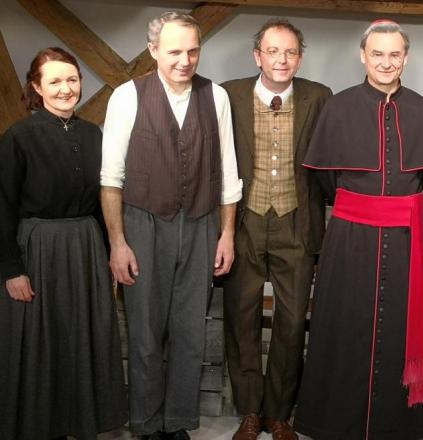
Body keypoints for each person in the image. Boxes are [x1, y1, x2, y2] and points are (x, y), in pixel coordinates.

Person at [293, 20, 423, 440]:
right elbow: (324, 181)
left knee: (399, 332)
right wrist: (359, 208)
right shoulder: (338, 107)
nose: (386, 62)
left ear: (405, 58)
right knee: (344, 326)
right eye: (377, 54)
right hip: (350, 236)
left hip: (406, 236)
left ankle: (399, 423)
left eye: (395, 55)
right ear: (363, 56)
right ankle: (337, 421)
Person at [100, 12, 242, 439]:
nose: (185, 60)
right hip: (142, 224)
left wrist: (228, 235)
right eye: (175, 51)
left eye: (193, 50)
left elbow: (228, 173)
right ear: (154, 51)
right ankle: (145, 423)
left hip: (200, 225)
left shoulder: (214, 96)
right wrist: (118, 243)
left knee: (188, 332)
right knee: (144, 332)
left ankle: (178, 422)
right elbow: (111, 178)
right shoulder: (127, 95)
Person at [0, 47, 127, 440]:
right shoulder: (18, 137)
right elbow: (1, 205)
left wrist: (109, 254)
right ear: (36, 88)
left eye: (71, 79)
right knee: (42, 341)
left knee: (82, 338)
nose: (65, 88)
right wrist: (12, 269)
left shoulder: (93, 134)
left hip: (85, 248)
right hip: (37, 250)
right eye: (54, 81)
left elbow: (106, 197)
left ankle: (81, 422)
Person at [220, 18, 331, 440]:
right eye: (272, 51)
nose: (281, 59)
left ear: (299, 57)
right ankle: (250, 410)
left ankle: (279, 413)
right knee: (241, 318)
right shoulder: (228, 95)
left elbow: (329, 160)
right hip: (243, 223)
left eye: (289, 52)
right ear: (257, 56)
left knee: (290, 323)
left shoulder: (319, 96)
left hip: (297, 225)